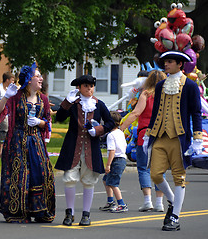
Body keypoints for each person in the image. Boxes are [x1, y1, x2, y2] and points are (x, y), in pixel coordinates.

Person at [0, 62, 55, 223]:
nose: (40, 78)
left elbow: (47, 121)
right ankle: (18, 211)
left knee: (42, 173)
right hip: (18, 141)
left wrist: (39, 122)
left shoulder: (43, 99)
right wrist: (6, 96)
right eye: (37, 76)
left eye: (40, 76)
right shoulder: (16, 97)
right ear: (28, 79)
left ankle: (39, 210)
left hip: (36, 142)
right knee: (19, 176)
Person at [143, 51, 203, 231]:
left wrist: (197, 137)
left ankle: (175, 217)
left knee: (179, 177)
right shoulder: (161, 85)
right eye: (165, 62)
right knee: (154, 174)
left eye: (169, 62)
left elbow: (196, 113)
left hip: (179, 138)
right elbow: (156, 113)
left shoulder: (191, 86)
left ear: (179, 64)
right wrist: (148, 134)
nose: (165, 65)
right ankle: (172, 201)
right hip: (160, 136)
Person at [55, 75, 114, 226]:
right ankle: (70, 213)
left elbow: (110, 122)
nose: (89, 89)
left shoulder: (99, 105)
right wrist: (66, 103)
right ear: (79, 88)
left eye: (91, 86)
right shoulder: (74, 104)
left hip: (91, 148)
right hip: (72, 147)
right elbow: (60, 118)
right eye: (86, 86)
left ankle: (86, 214)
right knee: (70, 178)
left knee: (89, 181)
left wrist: (98, 130)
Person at [120, 70, 167, 212]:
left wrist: (121, 127)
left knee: (143, 168)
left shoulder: (145, 94)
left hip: (145, 134)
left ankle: (148, 201)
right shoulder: (167, 95)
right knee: (160, 169)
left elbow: (135, 113)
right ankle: (160, 203)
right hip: (162, 135)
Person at [99, 111, 128, 213]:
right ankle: (110, 202)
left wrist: (108, 165)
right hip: (122, 158)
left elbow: (112, 151)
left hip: (116, 160)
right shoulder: (120, 132)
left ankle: (122, 204)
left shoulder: (111, 135)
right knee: (106, 180)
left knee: (113, 183)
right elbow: (125, 146)